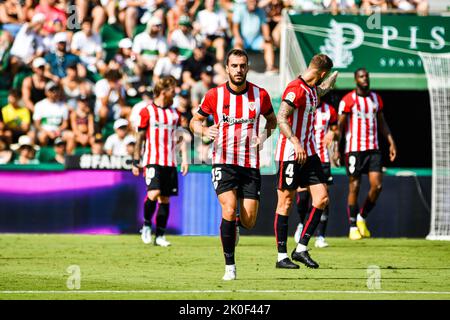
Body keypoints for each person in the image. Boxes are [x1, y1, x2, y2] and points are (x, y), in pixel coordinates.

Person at [190, 49, 277, 280]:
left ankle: (237, 223)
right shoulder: (214, 96)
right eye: (234, 66)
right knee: (228, 207)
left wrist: (264, 136)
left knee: (249, 221)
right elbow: (194, 121)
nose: (239, 70)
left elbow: (272, 120)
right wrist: (204, 130)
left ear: (247, 68)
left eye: (242, 65)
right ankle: (230, 266)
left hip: (250, 164)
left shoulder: (261, 95)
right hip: (223, 161)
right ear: (227, 68)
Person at [274, 54, 338, 269]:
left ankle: (301, 248)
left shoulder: (311, 90)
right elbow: (281, 117)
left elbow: (319, 91)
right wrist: (295, 142)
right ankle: (281, 256)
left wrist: (330, 83)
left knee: (321, 199)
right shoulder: (295, 88)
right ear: (321, 73)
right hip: (291, 154)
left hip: (310, 154)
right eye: (325, 76)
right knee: (286, 203)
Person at [337, 68, 397, 240]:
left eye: (367, 76)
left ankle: (361, 216)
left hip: (374, 148)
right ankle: (352, 226)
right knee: (354, 186)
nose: (365, 79)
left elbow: (382, 122)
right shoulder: (348, 100)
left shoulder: (376, 99)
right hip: (354, 149)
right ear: (356, 80)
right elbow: (340, 128)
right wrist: (336, 149)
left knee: (377, 186)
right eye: (361, 77)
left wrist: (391, 142)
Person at [132, 76, 189, 247]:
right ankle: (147, 224)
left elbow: (179, 137)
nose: (175, 93)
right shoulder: (147, 111)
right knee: (154, 193)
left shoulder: (175, 114)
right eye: (173, 90)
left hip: (170, 162)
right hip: (152, 159)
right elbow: (140, 137)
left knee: (165, 199)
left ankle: (160, 236)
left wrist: (185, 159)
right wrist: (136, 160)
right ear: (164, 91)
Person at [293, 101, 339, 249]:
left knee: (323, 198)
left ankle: (321, 236)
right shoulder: (301, 106)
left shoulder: (329, 109)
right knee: (303, 197)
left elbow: (336, 129)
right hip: (303, 158)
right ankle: (301, 223)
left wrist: (333, 133)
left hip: (323, 159)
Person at [232, 0, 276, 73]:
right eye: (252, 1)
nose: (254, 3)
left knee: (268, 44)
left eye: (255, 1)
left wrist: (267, 36)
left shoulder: (261, 11)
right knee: (237, 47)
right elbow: (235, 27)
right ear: (247, 1)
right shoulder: (239, 10)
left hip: (256, 39)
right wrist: (238, 37)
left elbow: (264, 26)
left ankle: (270, 67)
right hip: (242, 39)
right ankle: (238, 69)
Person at [33, 81, 75, 154]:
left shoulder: (63, 105)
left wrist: (58, 130)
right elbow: (37, 124)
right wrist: (48, 132)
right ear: (46, 92)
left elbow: (65, 124)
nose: (54, 92)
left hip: (58, 130)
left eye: (56, 90)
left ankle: (68, 158)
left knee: (71, 136)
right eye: (51, 90)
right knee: (42, 136)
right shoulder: (39, 105)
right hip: (45, 130)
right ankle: (44, 156)